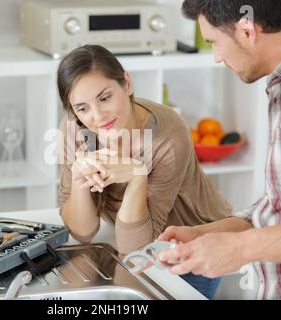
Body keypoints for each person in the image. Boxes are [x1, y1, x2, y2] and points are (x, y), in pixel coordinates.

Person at [158, 0, 281, 300]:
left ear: (247, 29)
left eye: (215, 43)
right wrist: (207, 234)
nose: (217, 57)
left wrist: (239, 249)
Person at [56, 44, 233, 299]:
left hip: (190, 247)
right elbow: (83, 233)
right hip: (129, 245)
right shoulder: (75, 128)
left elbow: (136, 247)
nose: (97, 116)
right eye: (82, 107)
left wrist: (138, 175)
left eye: (105, 97)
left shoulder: (167, 137)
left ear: (127, 83)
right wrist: (78, 179)